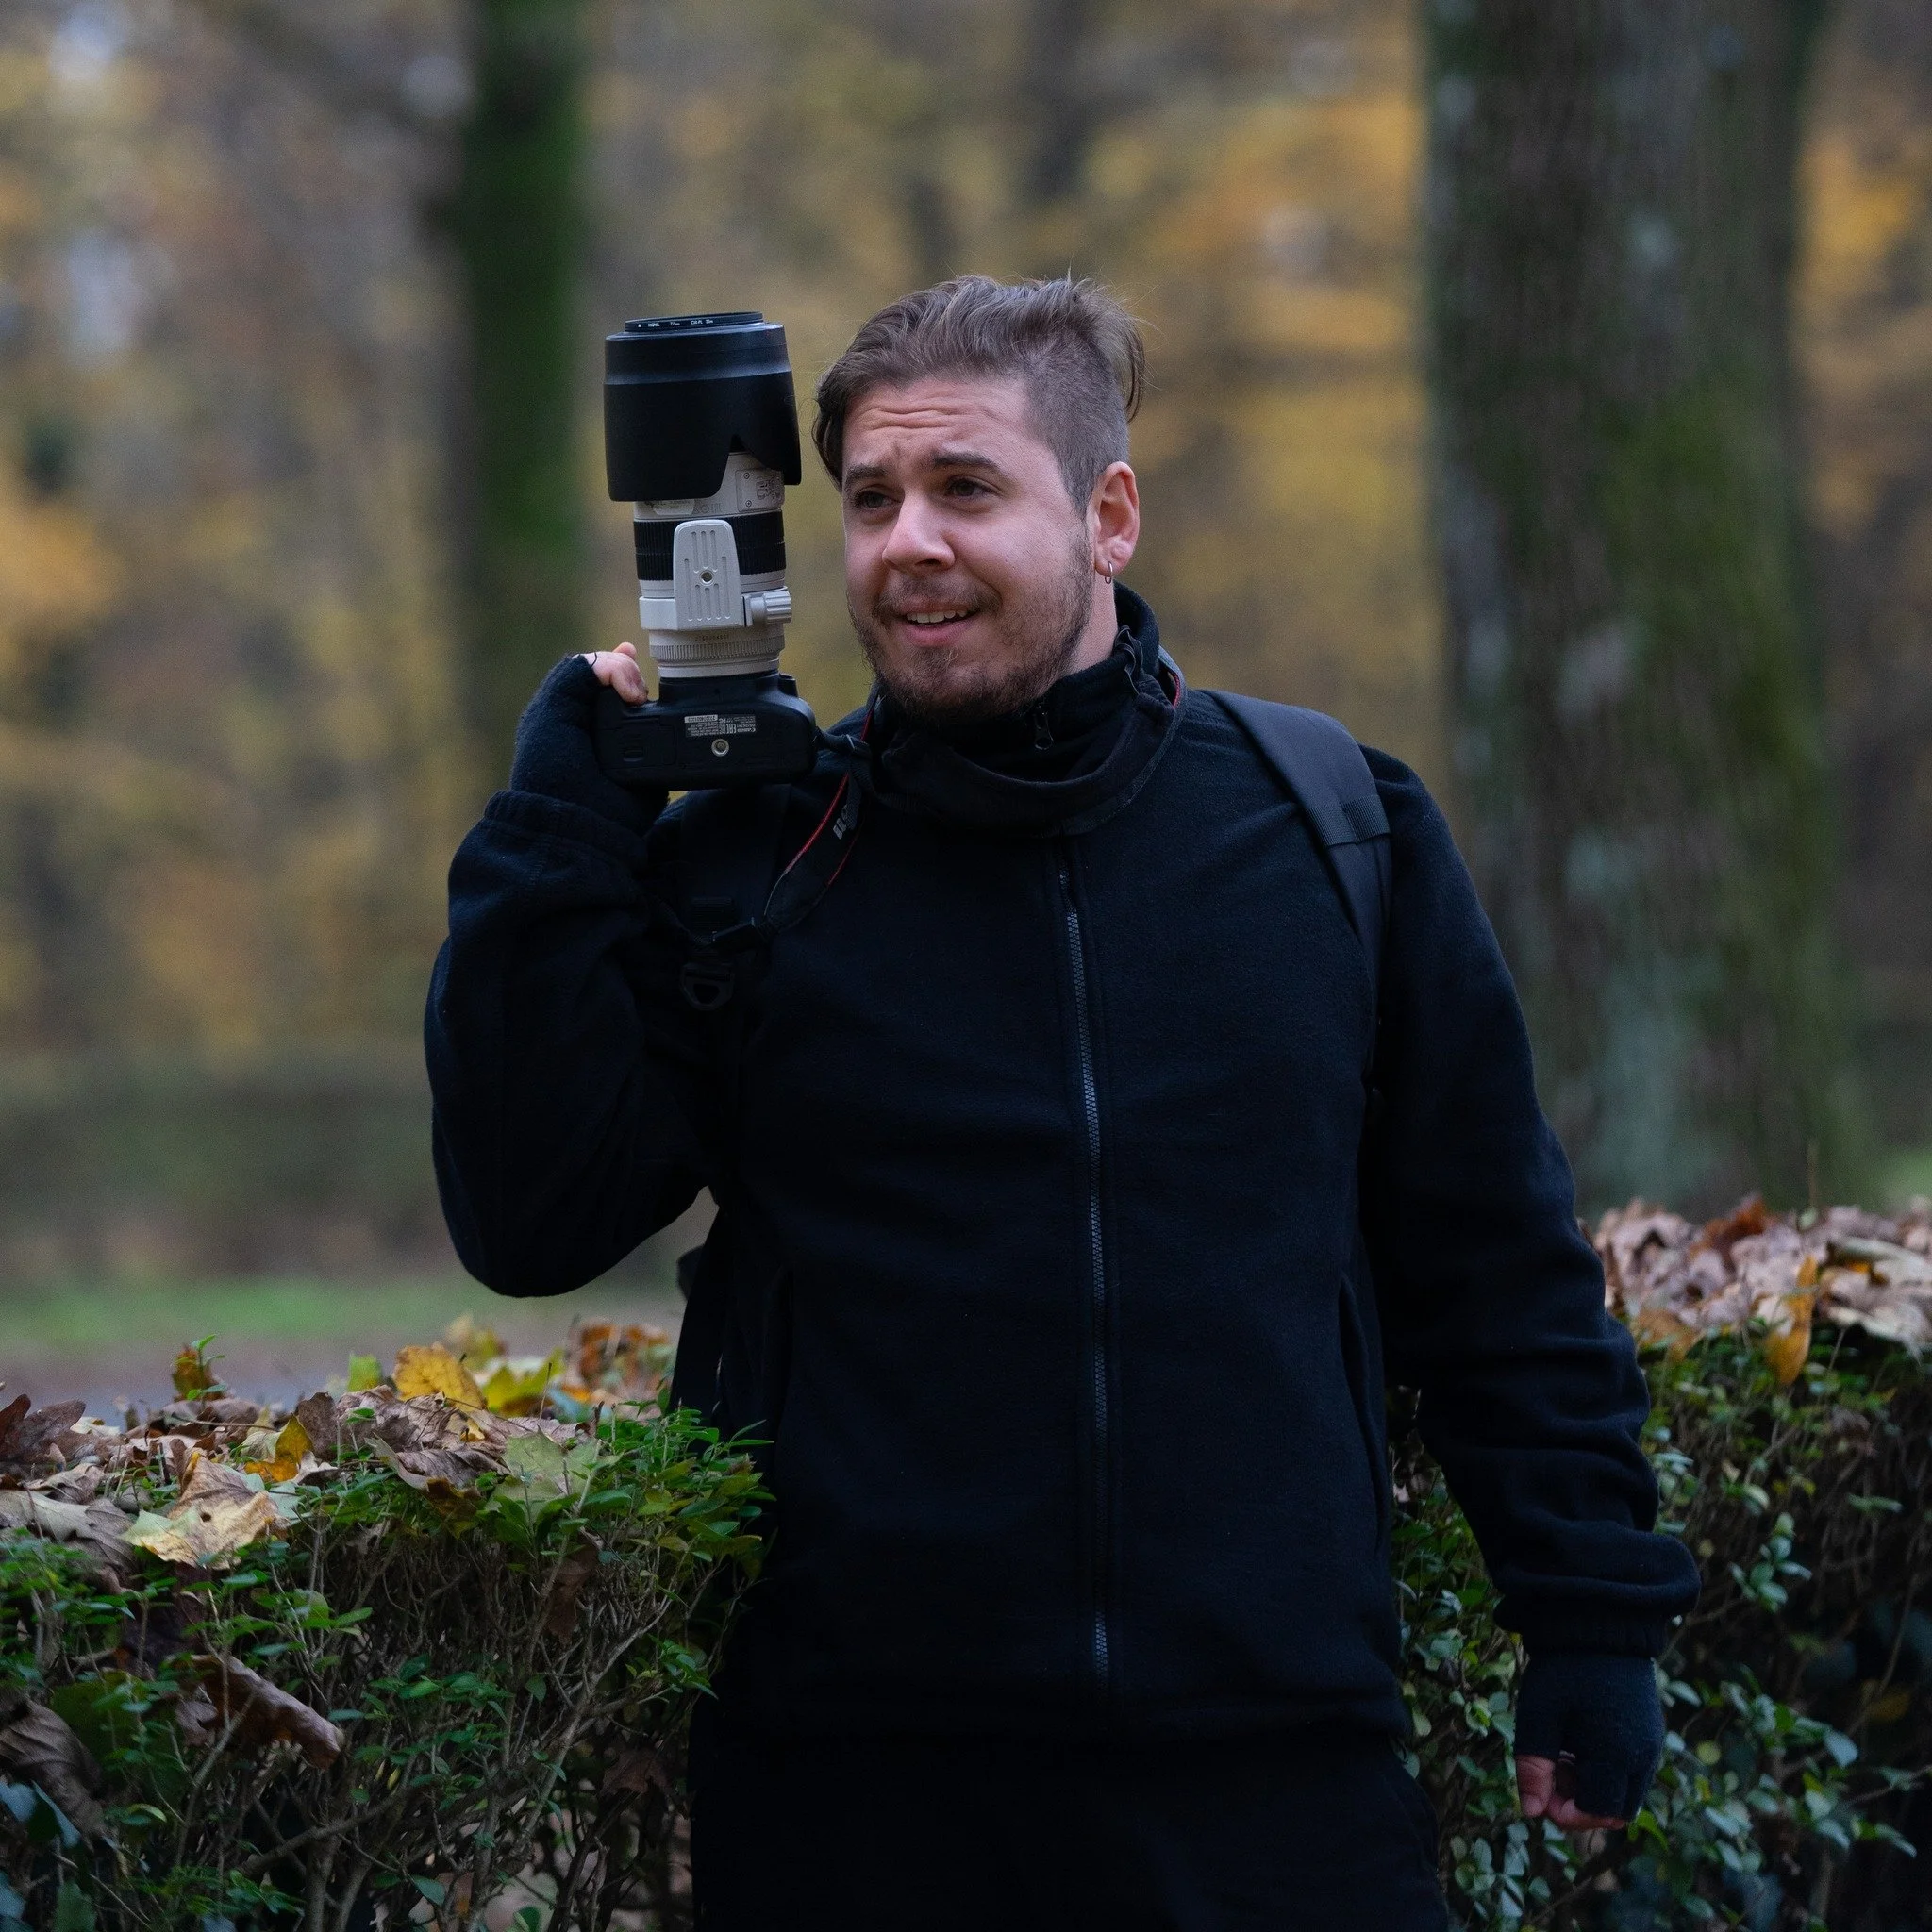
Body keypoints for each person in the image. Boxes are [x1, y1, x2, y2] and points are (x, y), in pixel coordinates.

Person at [425, 275, 1700, 1930]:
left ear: (1109, 516)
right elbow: (530, 1220)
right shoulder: (760, 862)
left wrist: (1592, 1620)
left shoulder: (1336, 827)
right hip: (854, 1803)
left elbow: (1497, 1266)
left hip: (1280, 1784)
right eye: (871, 499)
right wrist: (558, 836)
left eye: (966, 488)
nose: (908, 544)